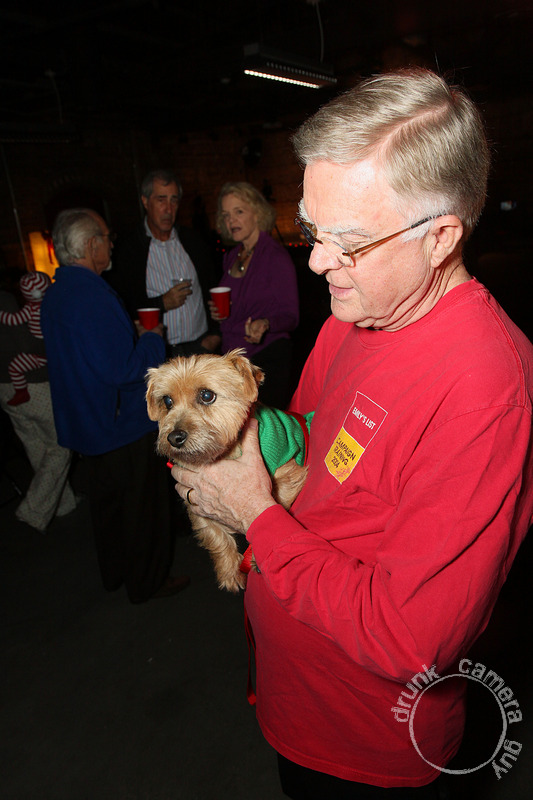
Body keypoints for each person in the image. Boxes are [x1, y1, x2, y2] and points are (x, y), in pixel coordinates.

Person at [170, 69, 533, 797]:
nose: (316, 261)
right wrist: (237, 452)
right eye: (311, 228)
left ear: (439, 237)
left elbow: (410, 642)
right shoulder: (356, 311)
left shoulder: (485, 389)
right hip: (293, 693)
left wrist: (254, 513)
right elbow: (307, 441)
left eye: (350, 241)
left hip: (368, 741)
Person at [41, 208, 189, 603]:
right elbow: (123, 370)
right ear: (92, 245)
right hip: (119, 423)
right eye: (107, 238)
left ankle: (115, 574)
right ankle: (148, 582)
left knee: (107, 509)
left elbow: (86, 354)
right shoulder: (91, 294)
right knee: (142, 508)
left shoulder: (57, 292)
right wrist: (152, 338)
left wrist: (130, 336)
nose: (111, 244)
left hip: (87, 421)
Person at [110, 169, 220, 357]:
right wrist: (161, 303)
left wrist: (215, 336)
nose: (168, 209)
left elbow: (214, 286)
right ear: (145, 201)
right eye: (161, 200)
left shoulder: (193, 241)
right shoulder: (129, 249)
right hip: (160, 352)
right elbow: (122, 306)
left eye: (174, 200)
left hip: (200, 348)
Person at [212, 181, 299, 407]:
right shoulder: (231, 256)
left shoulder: (275, 257)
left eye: (239, 212)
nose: (231, 220)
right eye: (226, 215)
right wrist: (220, 312)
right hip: (232, 360)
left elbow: (291, 316)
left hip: (264, 361)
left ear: (257, 213)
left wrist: (266, 323)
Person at [0, 282, 77, 533]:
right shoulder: (4, 299)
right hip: (31, 384)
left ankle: (63, 504)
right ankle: (32, 511)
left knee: (36, 446)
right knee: (60, 447)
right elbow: (26, 344)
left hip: (4, 387)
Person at [0, 271, 50, 406]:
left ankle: (22, 392)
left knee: (14, 368)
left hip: (37, 355)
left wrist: (1, 315)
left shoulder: (30, 308)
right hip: (50, 351)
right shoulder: (52, 305)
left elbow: (13, 320)